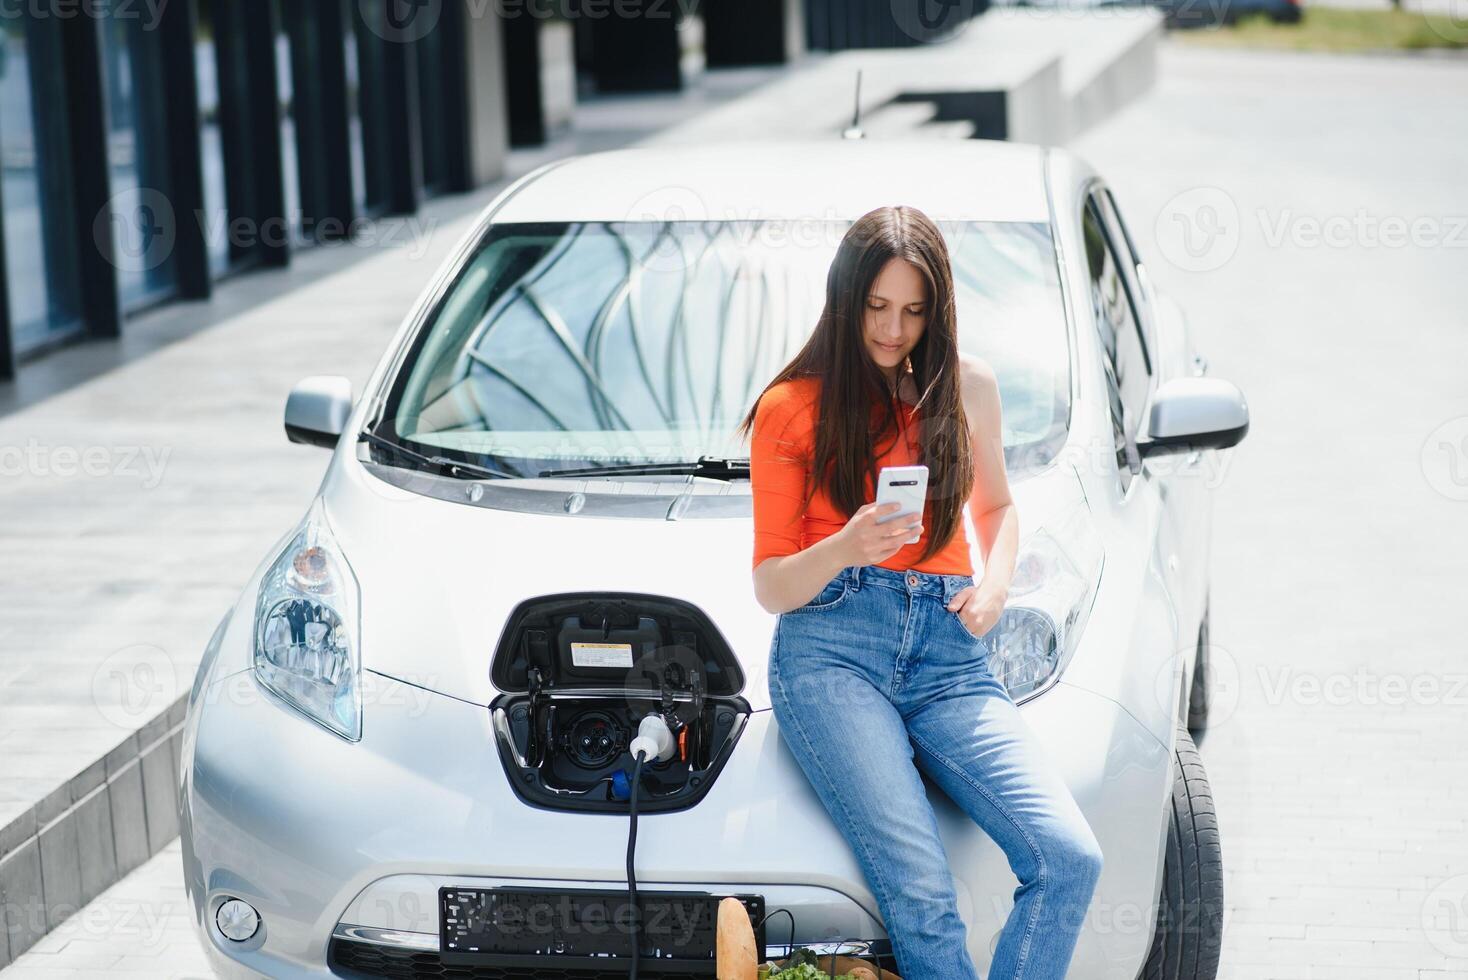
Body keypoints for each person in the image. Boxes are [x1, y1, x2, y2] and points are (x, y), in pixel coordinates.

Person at [737, 205, 1103, 979]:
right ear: (845, 302)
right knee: (923, 895)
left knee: (1069, 857)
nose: (892, 330)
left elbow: (997, 509)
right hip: (833, 654)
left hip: (949, 653)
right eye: (875, 307)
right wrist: (843, 547)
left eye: (912, 310)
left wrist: (997, 585)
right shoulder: (790, 409)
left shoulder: (967, 388)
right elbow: (772, 584)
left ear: (937, 309)